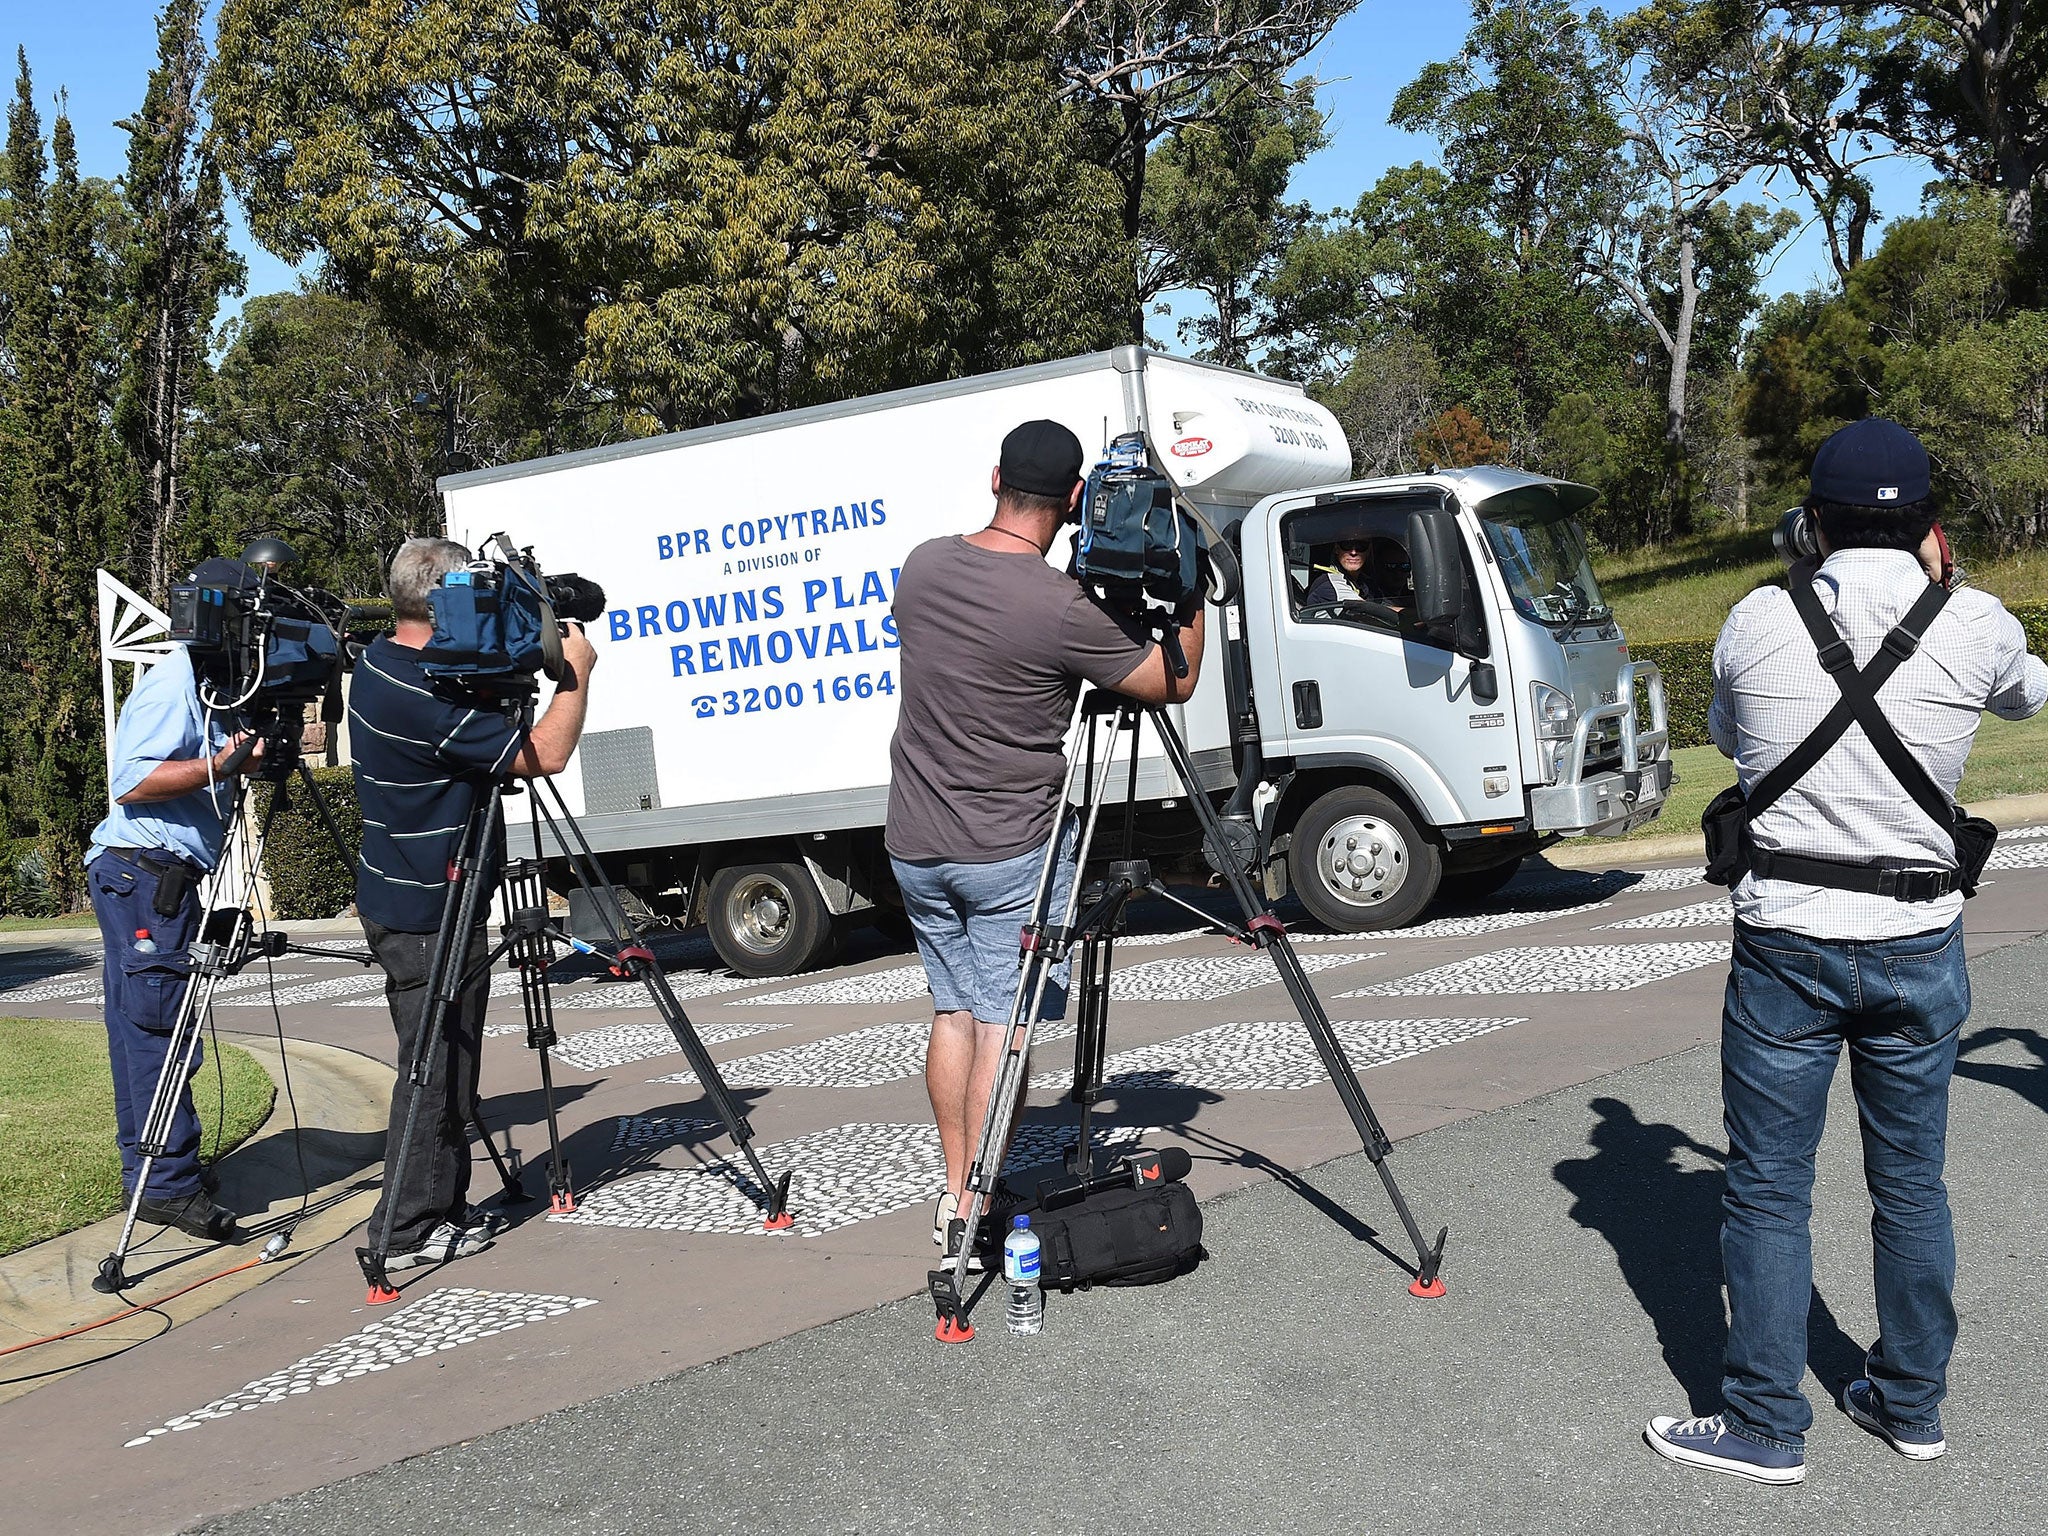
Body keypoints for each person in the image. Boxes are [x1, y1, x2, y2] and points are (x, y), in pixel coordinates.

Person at [1645, 419, 2047, 1484]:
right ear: (1928, 523)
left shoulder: (1752, 617)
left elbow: (1731, 740)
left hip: (1784, 943)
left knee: (1768, 1189)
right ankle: (1909, 1402)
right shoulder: (1974, 620)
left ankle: (1764, 1425)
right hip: (1917, 938)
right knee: (1909, 1186)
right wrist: (1945, 585)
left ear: (1809, 520)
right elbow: (2027, 693)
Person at [886, 419, 1205, 1268]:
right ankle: (982, 1209)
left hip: (916, 842)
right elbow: (1170, 680)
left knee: (954, 1012)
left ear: (994, 476)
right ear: (1073, 501)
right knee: (1006, 1025)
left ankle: (957, 1191)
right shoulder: (1061, 608)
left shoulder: (920, 569)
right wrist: (1193, 593)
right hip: (1008, 852)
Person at [349, 537, 598, 1272]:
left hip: (417, 893)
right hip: (430, 910)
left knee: (447, 1064)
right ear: (445, 602)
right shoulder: (422, 694)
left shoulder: (386, 659)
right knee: (433, 1069)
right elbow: (543, 754)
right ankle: (404, 1231)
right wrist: (573, 679)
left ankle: (443, 1208)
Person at [86, 561, 271, 1241]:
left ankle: (154, 1169)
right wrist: (220, 766)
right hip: (143, 876)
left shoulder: (216, 681)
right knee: (160, 1033)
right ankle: (165, 1184)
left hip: (149, 877)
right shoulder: (174, 680)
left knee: (145, 1029)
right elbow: (132, 782)